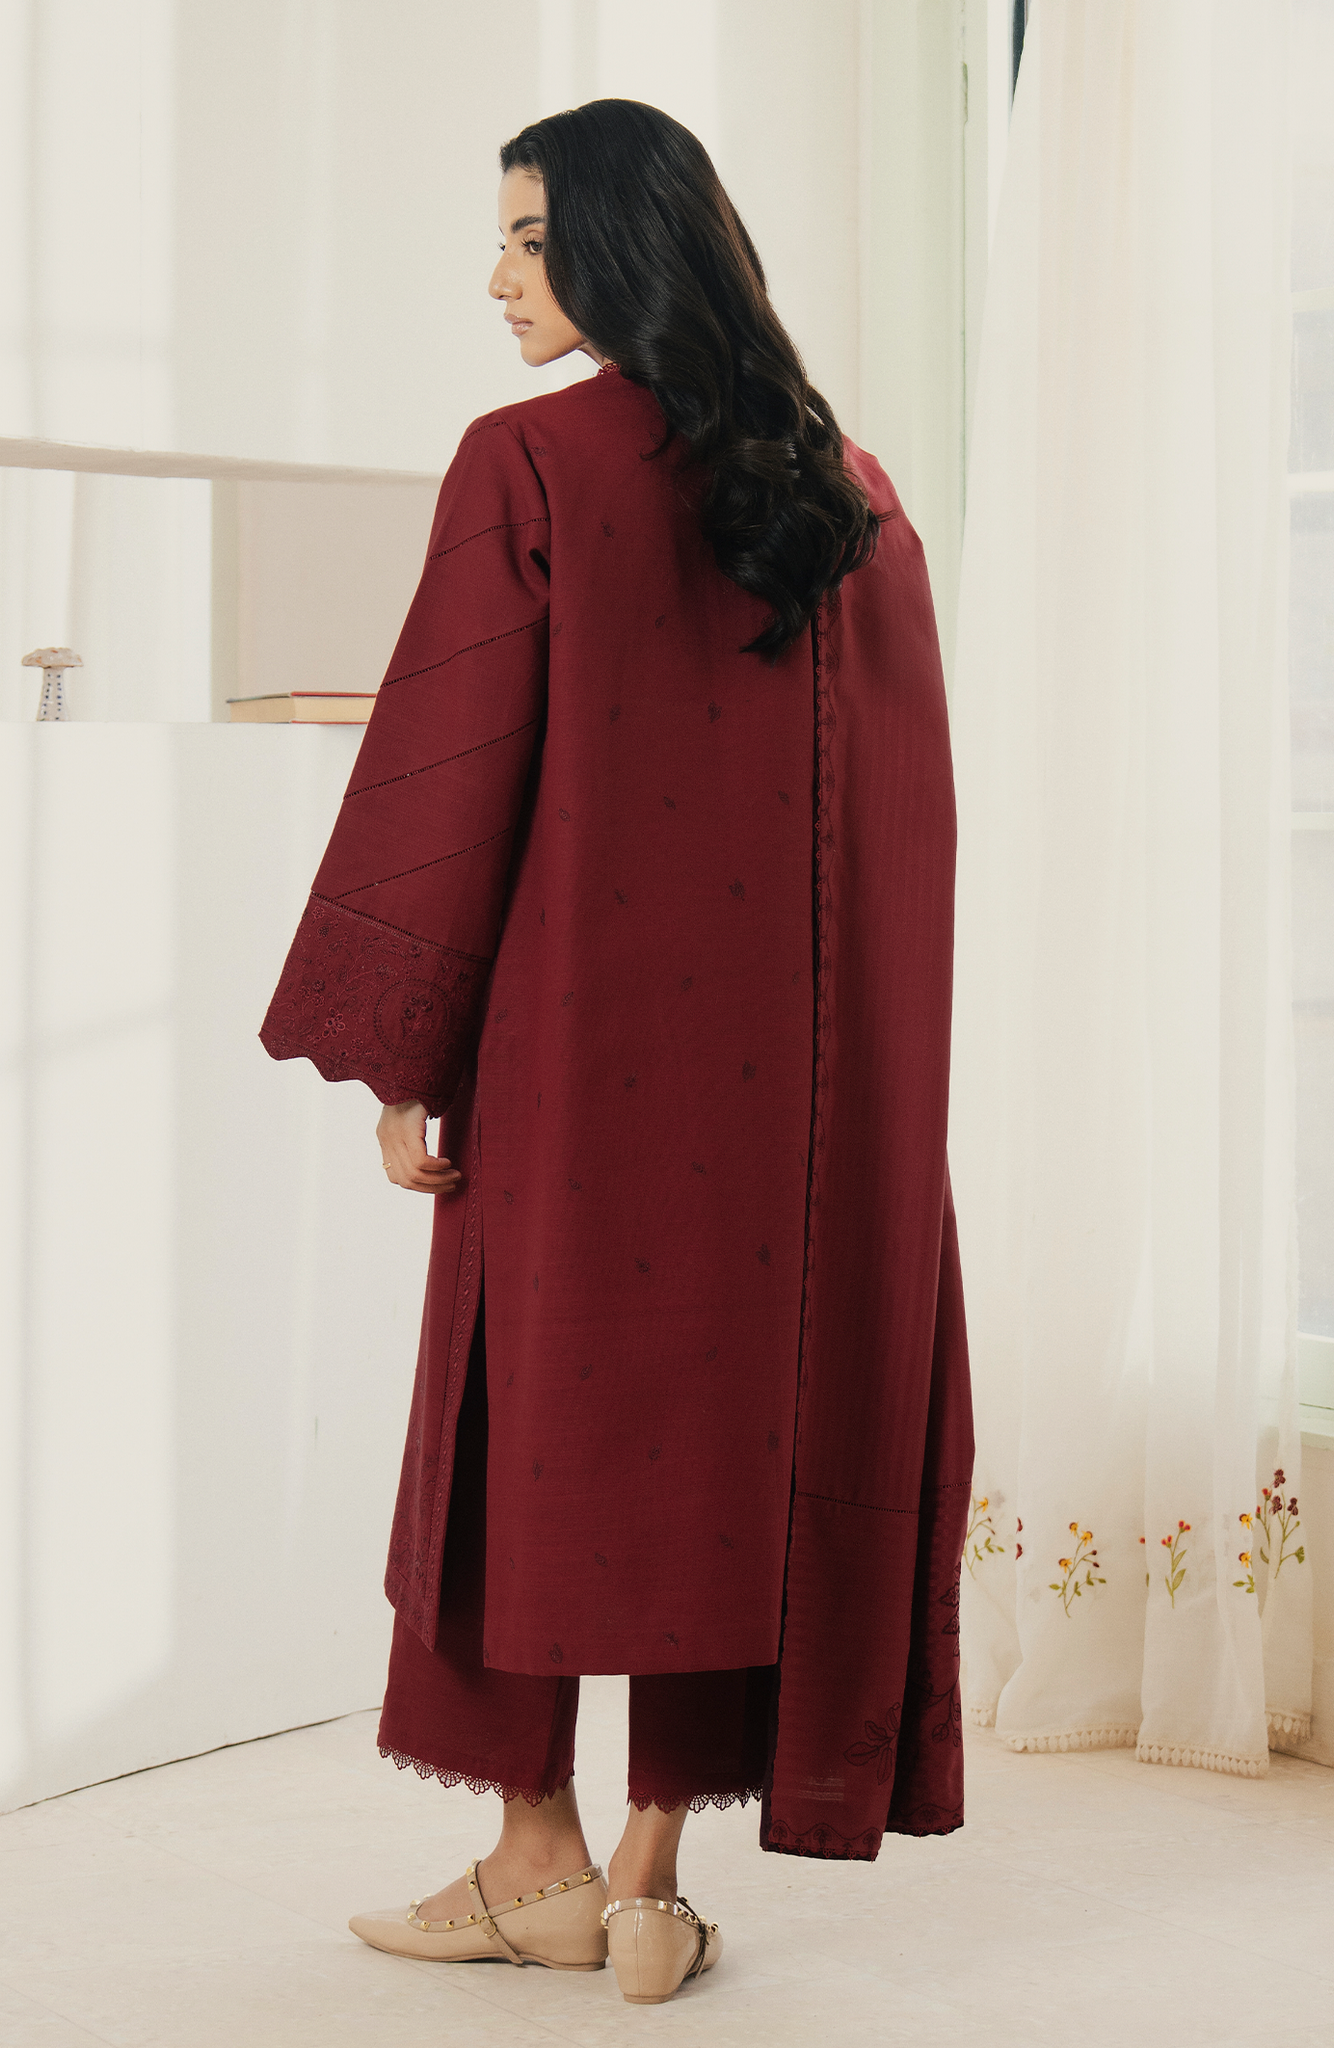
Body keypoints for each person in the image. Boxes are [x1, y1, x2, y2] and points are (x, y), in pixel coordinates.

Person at [261, 97, 972, 2007]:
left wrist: (402, 1057)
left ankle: (535, 1863)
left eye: (525, 236)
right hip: (802, 1113)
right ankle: (653, 1885)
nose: (496, 277)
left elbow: (448, 768)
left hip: (580, 1073)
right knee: (734, 1441)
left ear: (620, 244)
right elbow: (906, 823)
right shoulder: (848, 489)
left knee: (530, 1430)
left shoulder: (529, 462)